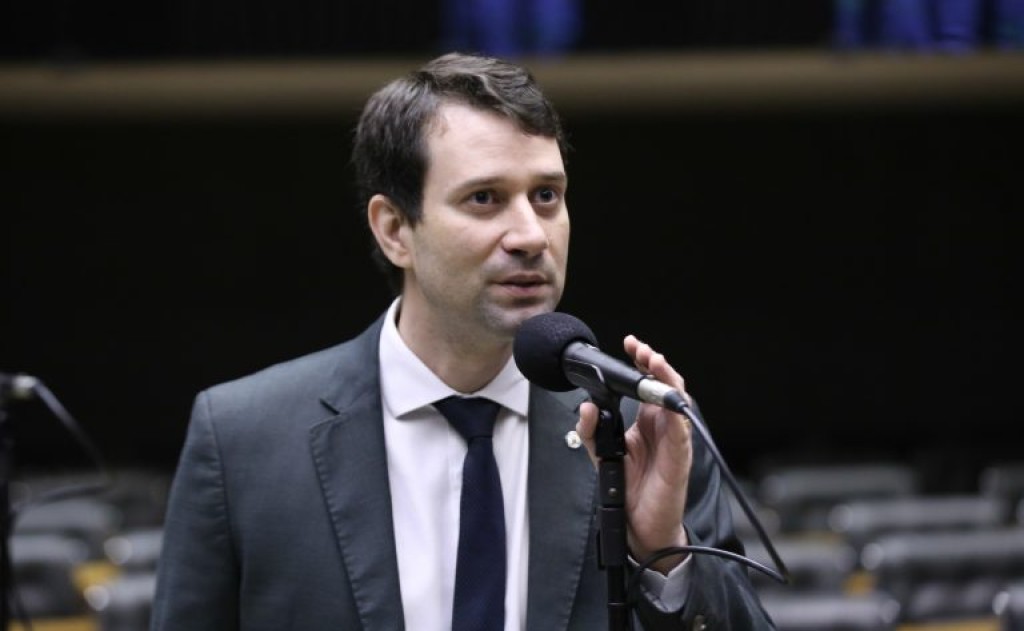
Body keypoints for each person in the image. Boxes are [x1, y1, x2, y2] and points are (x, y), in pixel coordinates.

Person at [149, 52, 775, 630]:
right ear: (395, 229)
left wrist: (663, 554)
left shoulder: (641, 427)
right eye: (484, 198)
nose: (530, 235)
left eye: (546, 196)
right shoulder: (243, 438)